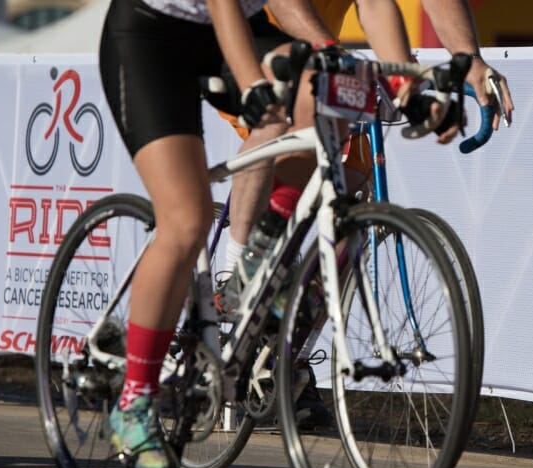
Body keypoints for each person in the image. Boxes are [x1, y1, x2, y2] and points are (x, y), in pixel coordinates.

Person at [98, 0, 455, 468]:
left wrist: (407, 86)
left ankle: (262, 257)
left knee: (333, 87)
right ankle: (134, 401)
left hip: (235, 28)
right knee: (187, 220)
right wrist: (252, 86)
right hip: (152, 34)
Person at [213, 0, 515, 426]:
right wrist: (333, 55)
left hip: (326, 59)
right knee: (282, 128)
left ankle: (283, 357)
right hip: (255, 42)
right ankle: (235, 268)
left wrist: (467, 62)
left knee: (346, 202)